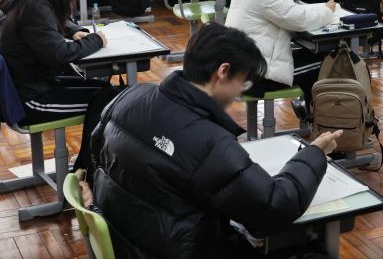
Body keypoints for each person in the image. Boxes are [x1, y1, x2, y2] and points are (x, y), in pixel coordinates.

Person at [91, 23, 343, 258]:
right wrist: (315, 153)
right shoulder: (209, 142)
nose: (239, 94)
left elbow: (96, 147)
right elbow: (275, 205)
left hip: (127, 241)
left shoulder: (133, 94)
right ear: (222, 72)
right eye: (241, 83)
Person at [0, 0, 107, 125]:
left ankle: (92, 152)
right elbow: (60, 54)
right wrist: (96, 40)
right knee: (109, 103)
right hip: (31, 101)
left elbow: (48, 20)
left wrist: (72, 30)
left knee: (108, 92)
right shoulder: (34, 9)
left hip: (32, 86)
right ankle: (89, 153)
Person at [226, 0, 335, 115]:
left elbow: (287, 6)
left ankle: (308, 113)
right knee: (328, 62)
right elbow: (299, 20)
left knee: (313, 56)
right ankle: (316, 117)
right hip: (257, 76)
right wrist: (327, 11)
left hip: (242, 67)